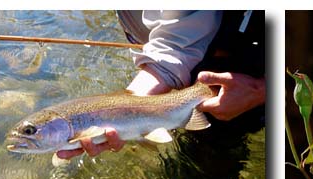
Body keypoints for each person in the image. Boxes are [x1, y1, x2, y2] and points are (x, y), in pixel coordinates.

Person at [56, 10, 266, 159]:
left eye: (30, 131)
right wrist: (137, 105)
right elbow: (174, 42)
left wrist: (263, 90)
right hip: (201, 62)